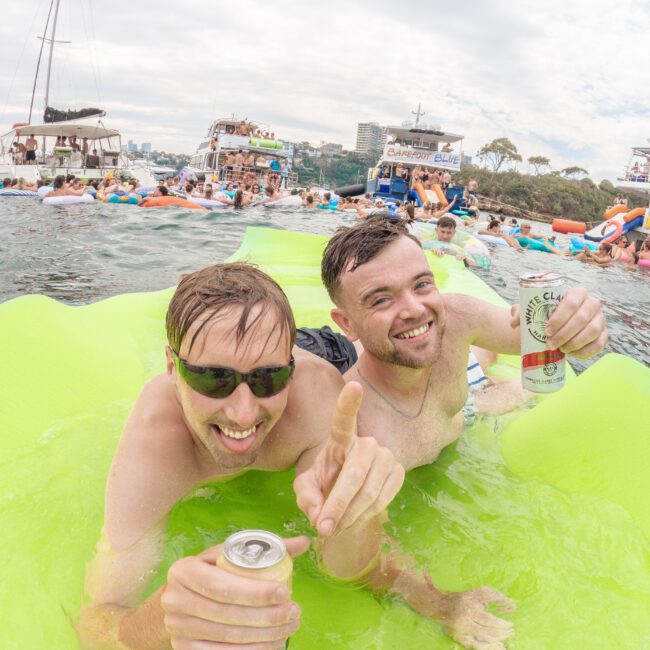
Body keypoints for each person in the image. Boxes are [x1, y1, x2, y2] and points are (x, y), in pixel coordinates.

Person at [77, 263, 405, 649]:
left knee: (362, 351)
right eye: (213, 379)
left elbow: (353, 568)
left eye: (269, 379)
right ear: (171, 367)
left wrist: (350, 514)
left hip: (325, 351)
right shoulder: (158, 437)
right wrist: (163, 617)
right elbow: (99, 618)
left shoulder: (315, 396)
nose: (244, 414)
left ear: (290, 372)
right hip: (274, 347)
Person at [318, 219, 608, 645]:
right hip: (442, 411)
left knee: (485, 367)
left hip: (462, 408)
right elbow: (359, 562)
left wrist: (581, 324)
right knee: (486, 380)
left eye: (421, 284)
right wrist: (438, 602)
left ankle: (485, 381)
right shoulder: (358, 426)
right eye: (381, 299)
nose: (414, 308)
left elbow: (539, 338)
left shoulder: (453, 317)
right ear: (346, 323)